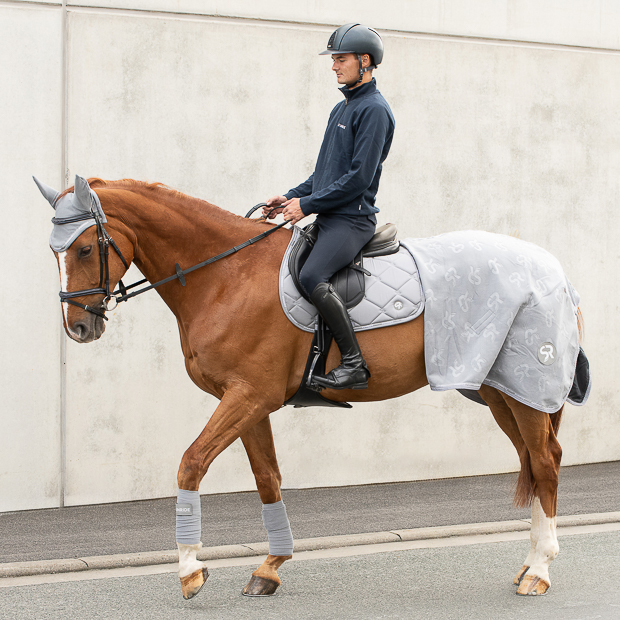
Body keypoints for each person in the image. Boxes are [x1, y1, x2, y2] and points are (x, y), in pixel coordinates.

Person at [265, 23, 395, 390]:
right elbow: (324, 173)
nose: (334, 66)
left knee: (310, 276)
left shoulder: (374, 111)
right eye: (333, 60)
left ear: (364, 61)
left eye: (340, 59)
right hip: (330, 214)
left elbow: (357, 180)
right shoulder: (343, 108)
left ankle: (354, 363)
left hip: (351, 222)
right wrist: (291, 197)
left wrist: (307, 205)